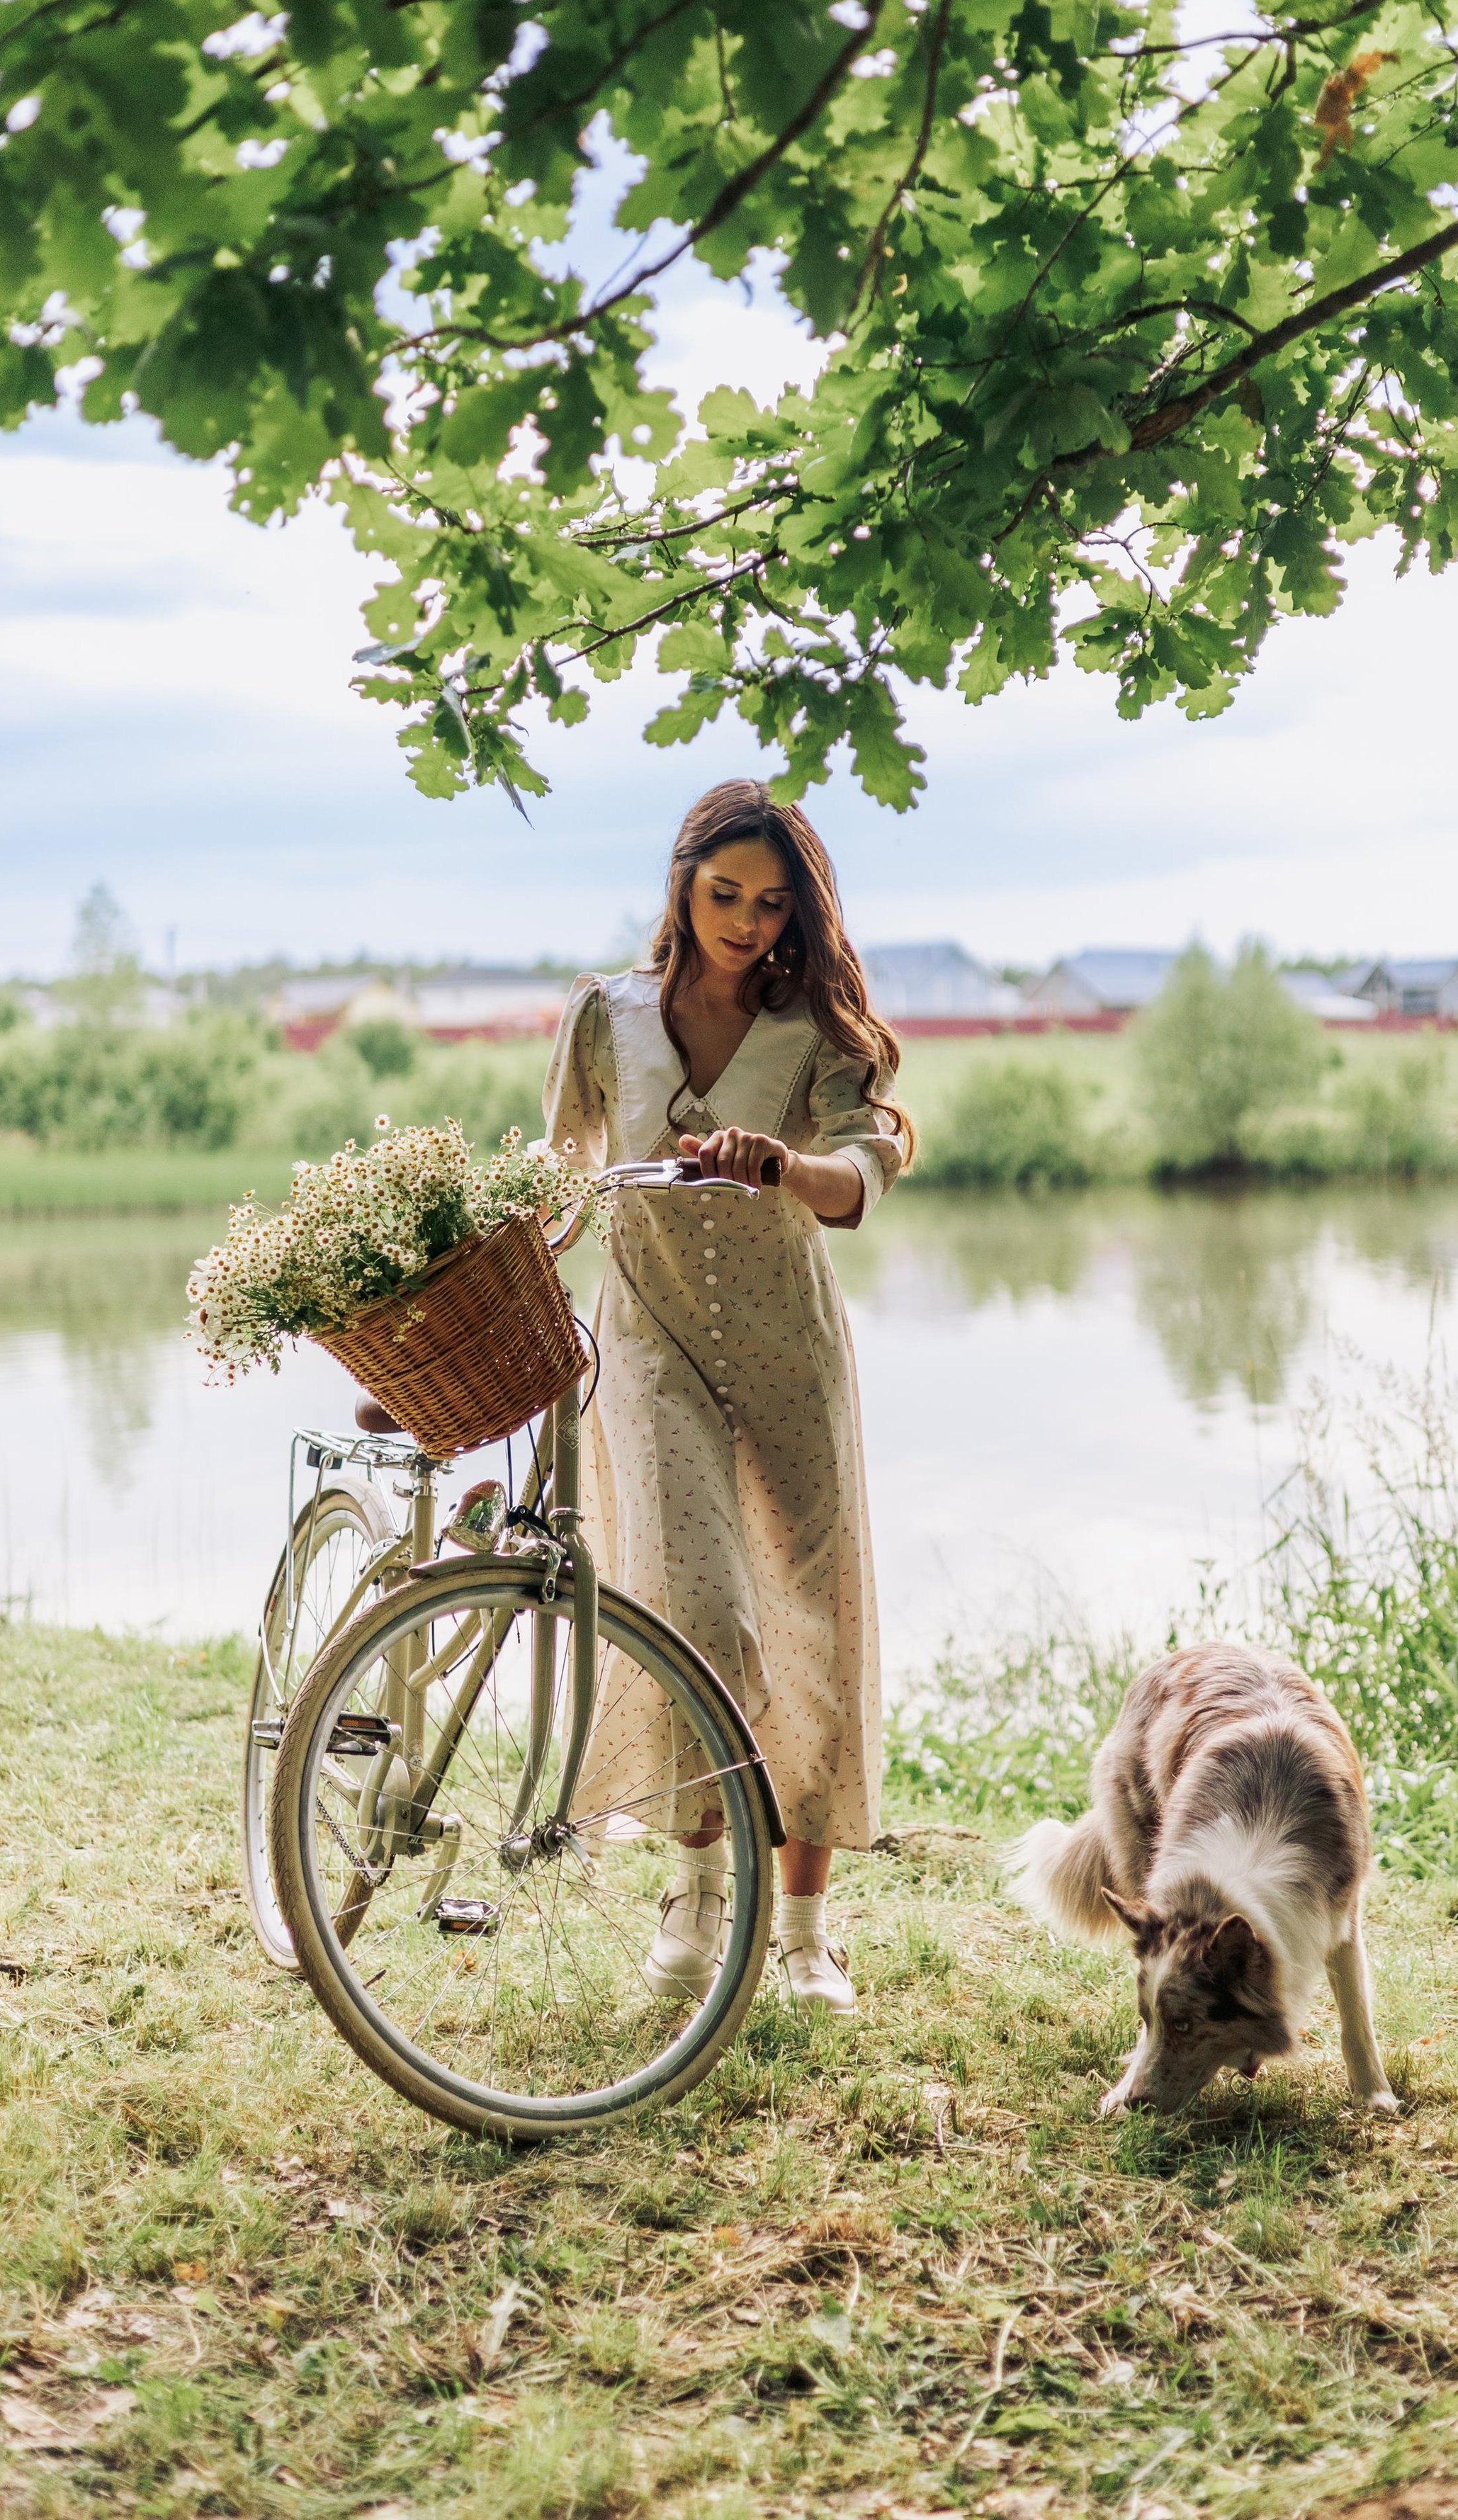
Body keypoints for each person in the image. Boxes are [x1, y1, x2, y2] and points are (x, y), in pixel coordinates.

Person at [541, 779, 911, 2013]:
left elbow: (867, 1168)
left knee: (811, 1619)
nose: (747, 924)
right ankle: (697, 1900)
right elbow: (561, 1172)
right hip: (646, 1339)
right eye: (724, 896)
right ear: (681, 885)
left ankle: (803, 1931)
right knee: (693, 1611)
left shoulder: (815, 1030)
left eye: (768, 904)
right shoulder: (605, 1016)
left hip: (787, 1348)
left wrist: (790, 1166)